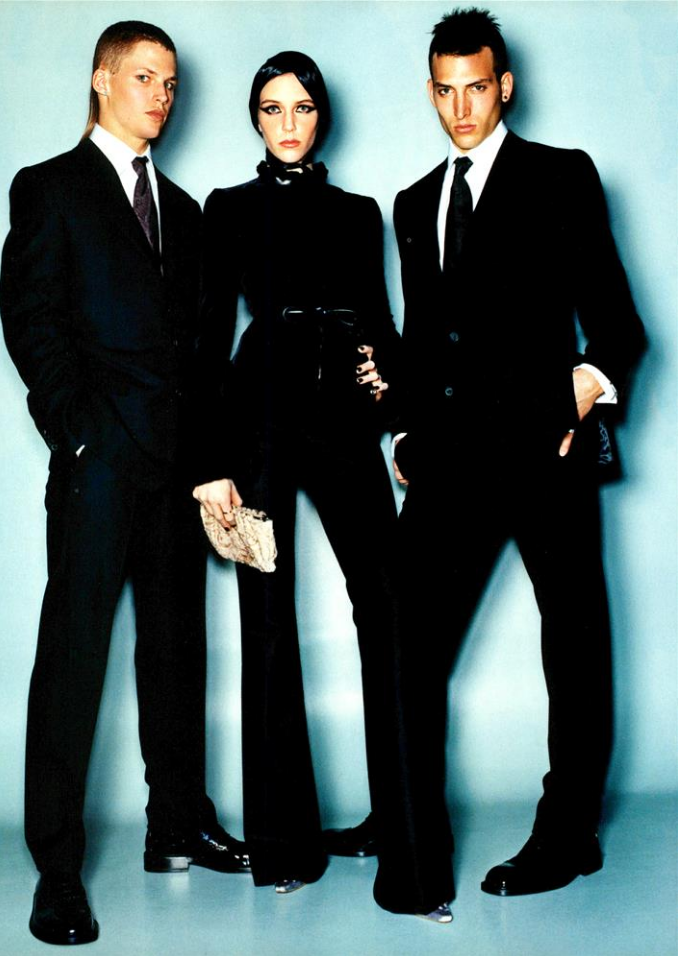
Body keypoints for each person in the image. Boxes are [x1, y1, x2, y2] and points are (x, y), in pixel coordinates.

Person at [389, 6, 646, 909]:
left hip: (545, 450)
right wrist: (407, 435)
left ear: (504, 85)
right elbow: (423, 341)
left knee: (572, 645)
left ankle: (569, 835)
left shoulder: (559, 175)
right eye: (445, 91)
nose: (461, 107)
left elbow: (617, 326)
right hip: (452, 460)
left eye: (476, 87)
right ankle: (410, 839)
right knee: (405, 638)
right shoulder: (413, 204)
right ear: (431, 93)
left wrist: (580, 392)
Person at [0, 21, 248, 947]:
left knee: (177, 654)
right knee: (74, 661)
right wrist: (79, 437)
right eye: (145, 78)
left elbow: (202, 355)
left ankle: (175, 826)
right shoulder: (51, 187)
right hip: (99, 466)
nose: (162, 96)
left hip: (177, 472)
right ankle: (57, 872)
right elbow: (30, 320)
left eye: (172, 83)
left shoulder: (181, 210)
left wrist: (208, 465)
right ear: (102, 80)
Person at [193, 51, 450, 920]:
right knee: (265, 619)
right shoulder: (227, 208)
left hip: (342, 414)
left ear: (321, 115)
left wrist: (400, 411)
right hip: (257, 414)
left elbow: (380, 323)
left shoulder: (358, 211)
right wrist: (208, 461)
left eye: (301, 107)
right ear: (255, 119)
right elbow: (204, 339)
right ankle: (282, 849)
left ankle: (412, 863)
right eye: (272, 109)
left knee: (390, 606)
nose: (288, 123)